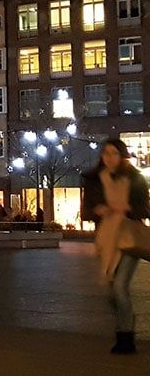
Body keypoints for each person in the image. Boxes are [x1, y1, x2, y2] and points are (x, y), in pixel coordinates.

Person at [83, 138, 150, 355]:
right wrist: (100, 210)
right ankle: (126, 317)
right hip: (107, 237)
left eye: (114, 153)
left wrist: (126, 208)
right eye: (105, 153)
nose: (109, 157)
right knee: (112, 292)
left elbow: (143, 208)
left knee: (120, 286)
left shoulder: (135, 178)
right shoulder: (94, 180)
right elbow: (88, 210)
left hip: (129, 238)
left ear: (122, 155)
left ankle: (125, 337)